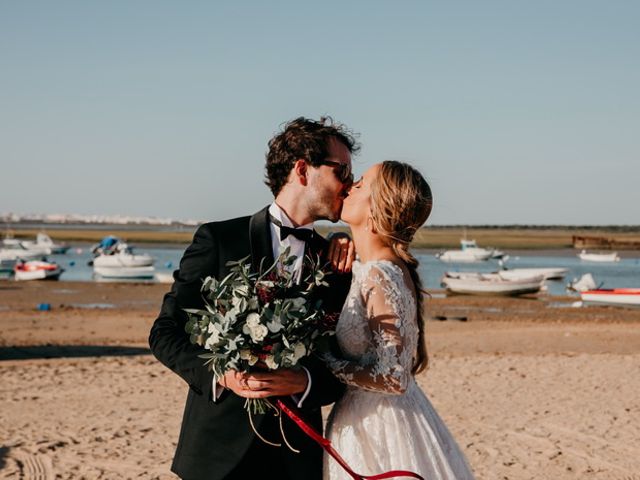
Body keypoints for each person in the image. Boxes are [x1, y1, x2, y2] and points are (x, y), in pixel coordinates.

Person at [149, 117, 358, 480]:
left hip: (296, 458)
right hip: (216, 455)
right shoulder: (219, 240)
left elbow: (347, 362)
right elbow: (165, 333)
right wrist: (221, 375)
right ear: (302, 169)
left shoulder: (337, 262)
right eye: (342, 170)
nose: (350, 184)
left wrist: (306, 380)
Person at [321, 161, 476, 479]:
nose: (349, 186)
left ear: (378, 209)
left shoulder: (381, 273)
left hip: (380, 426)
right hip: (365, 416)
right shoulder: (375, 268)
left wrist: (324, 362)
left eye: (361, 184)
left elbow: (392, 377)